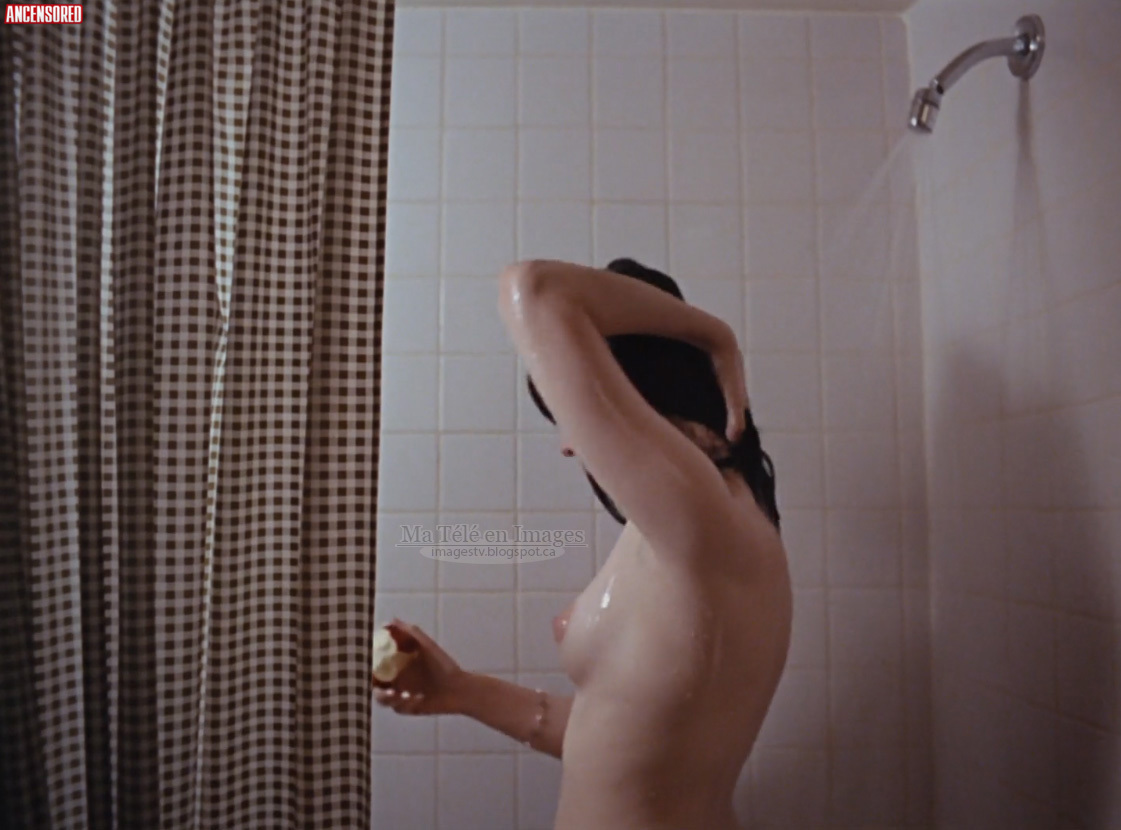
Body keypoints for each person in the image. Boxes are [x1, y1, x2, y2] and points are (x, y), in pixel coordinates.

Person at [375, 258, 792, 830]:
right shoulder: (693, 527)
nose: (569, 446)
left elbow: (534, 289)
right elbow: (620, 742)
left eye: (568, 414)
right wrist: (461, 690)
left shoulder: (702, 520)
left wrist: (716, 336)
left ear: (635, 391)